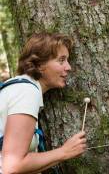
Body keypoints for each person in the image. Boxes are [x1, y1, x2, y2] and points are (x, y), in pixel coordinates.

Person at [0, 32, 87, 174]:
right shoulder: (26, 92)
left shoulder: (19, 87)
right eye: (61, 60)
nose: (69, 67)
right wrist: (64, 152)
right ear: (39, 65)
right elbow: (11, 166)